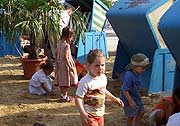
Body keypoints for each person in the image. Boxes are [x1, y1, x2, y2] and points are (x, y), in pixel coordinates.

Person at [75, 49, 124, 126]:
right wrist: (82, 113)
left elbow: (103, 90)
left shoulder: (103, 78)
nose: (100, 68)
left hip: (100, 114)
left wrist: (115, 99)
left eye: (102, 65)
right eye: (97, 65)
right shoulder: (85, 82)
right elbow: (78, 98)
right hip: (89, 115)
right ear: (88, 65)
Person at [120, 53, 150, 126]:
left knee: (141, 112)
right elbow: (124, 90)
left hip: (136, 96)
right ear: (135, 67)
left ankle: (137, 124)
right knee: (131, 116)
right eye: (142, 68)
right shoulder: (129, 75)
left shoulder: (137, 73)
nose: (144, 70)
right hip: (128, 98)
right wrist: (130, 101)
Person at [55, 26, 78, 102]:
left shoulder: (59, 44)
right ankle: (65, 96)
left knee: (61, 80)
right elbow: (66, 57)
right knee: (66, 80)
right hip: (65, 65)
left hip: (59, 63)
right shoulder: (67, 46)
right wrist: (70, 66)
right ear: (69, 36)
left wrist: (57, 61)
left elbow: (56, 53)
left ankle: (62, 95)